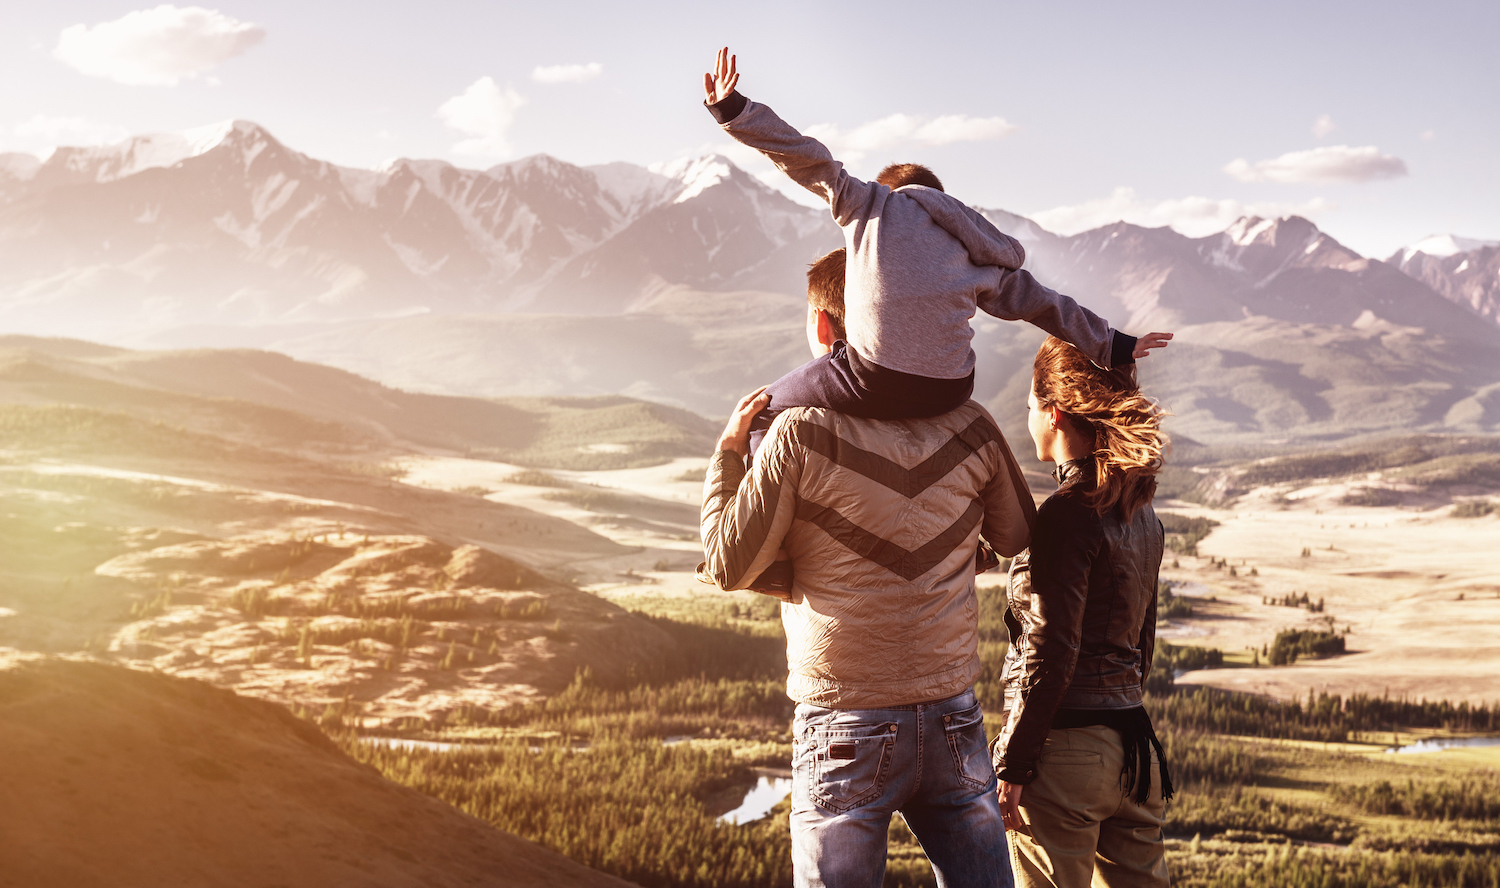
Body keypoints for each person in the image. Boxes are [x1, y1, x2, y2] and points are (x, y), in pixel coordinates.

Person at [701, 246, 1032, 888]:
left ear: (825, 328)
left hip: (843, 718)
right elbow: (1017, 532)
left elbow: (726, 565)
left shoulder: (798, 434)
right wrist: (961, 548)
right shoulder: (972, 426)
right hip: (951, 711)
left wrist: (728, 454)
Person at [702, 47, 1172, 456]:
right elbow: (1044, 303)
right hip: (950, 391)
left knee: (763, 412)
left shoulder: (870, 204)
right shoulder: (975, 252)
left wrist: (735, 111)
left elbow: (806, 157)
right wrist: (1116, 344)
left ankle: (761, 540)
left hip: (873, 375)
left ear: (891, 191)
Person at [990, 337, 1174, 888]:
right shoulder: (1144, 518)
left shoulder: (1067, 514)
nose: (1027, 418)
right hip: (1135, 753)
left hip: (1065, 753)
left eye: (1028, 406)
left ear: (1055, 411)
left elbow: (1050, 646)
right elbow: (1143, 644)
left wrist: (1015, 762)